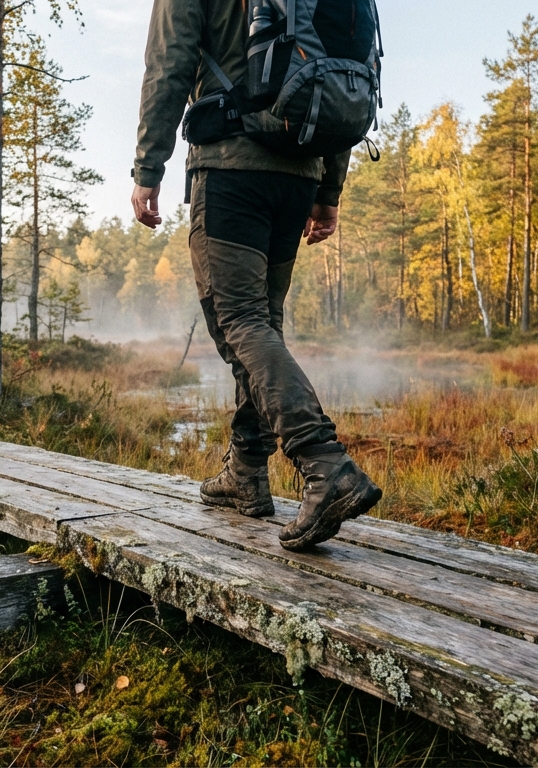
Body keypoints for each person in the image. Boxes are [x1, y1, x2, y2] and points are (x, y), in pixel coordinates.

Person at [130, 0, 383, 550]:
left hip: (230, 167)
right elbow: (345, 69)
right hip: (299, 171)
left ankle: (324, 464)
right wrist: (327, 190)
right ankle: (246, 469)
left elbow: (168, 64)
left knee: (239, 321)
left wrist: (148, 167)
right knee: (262, 324)